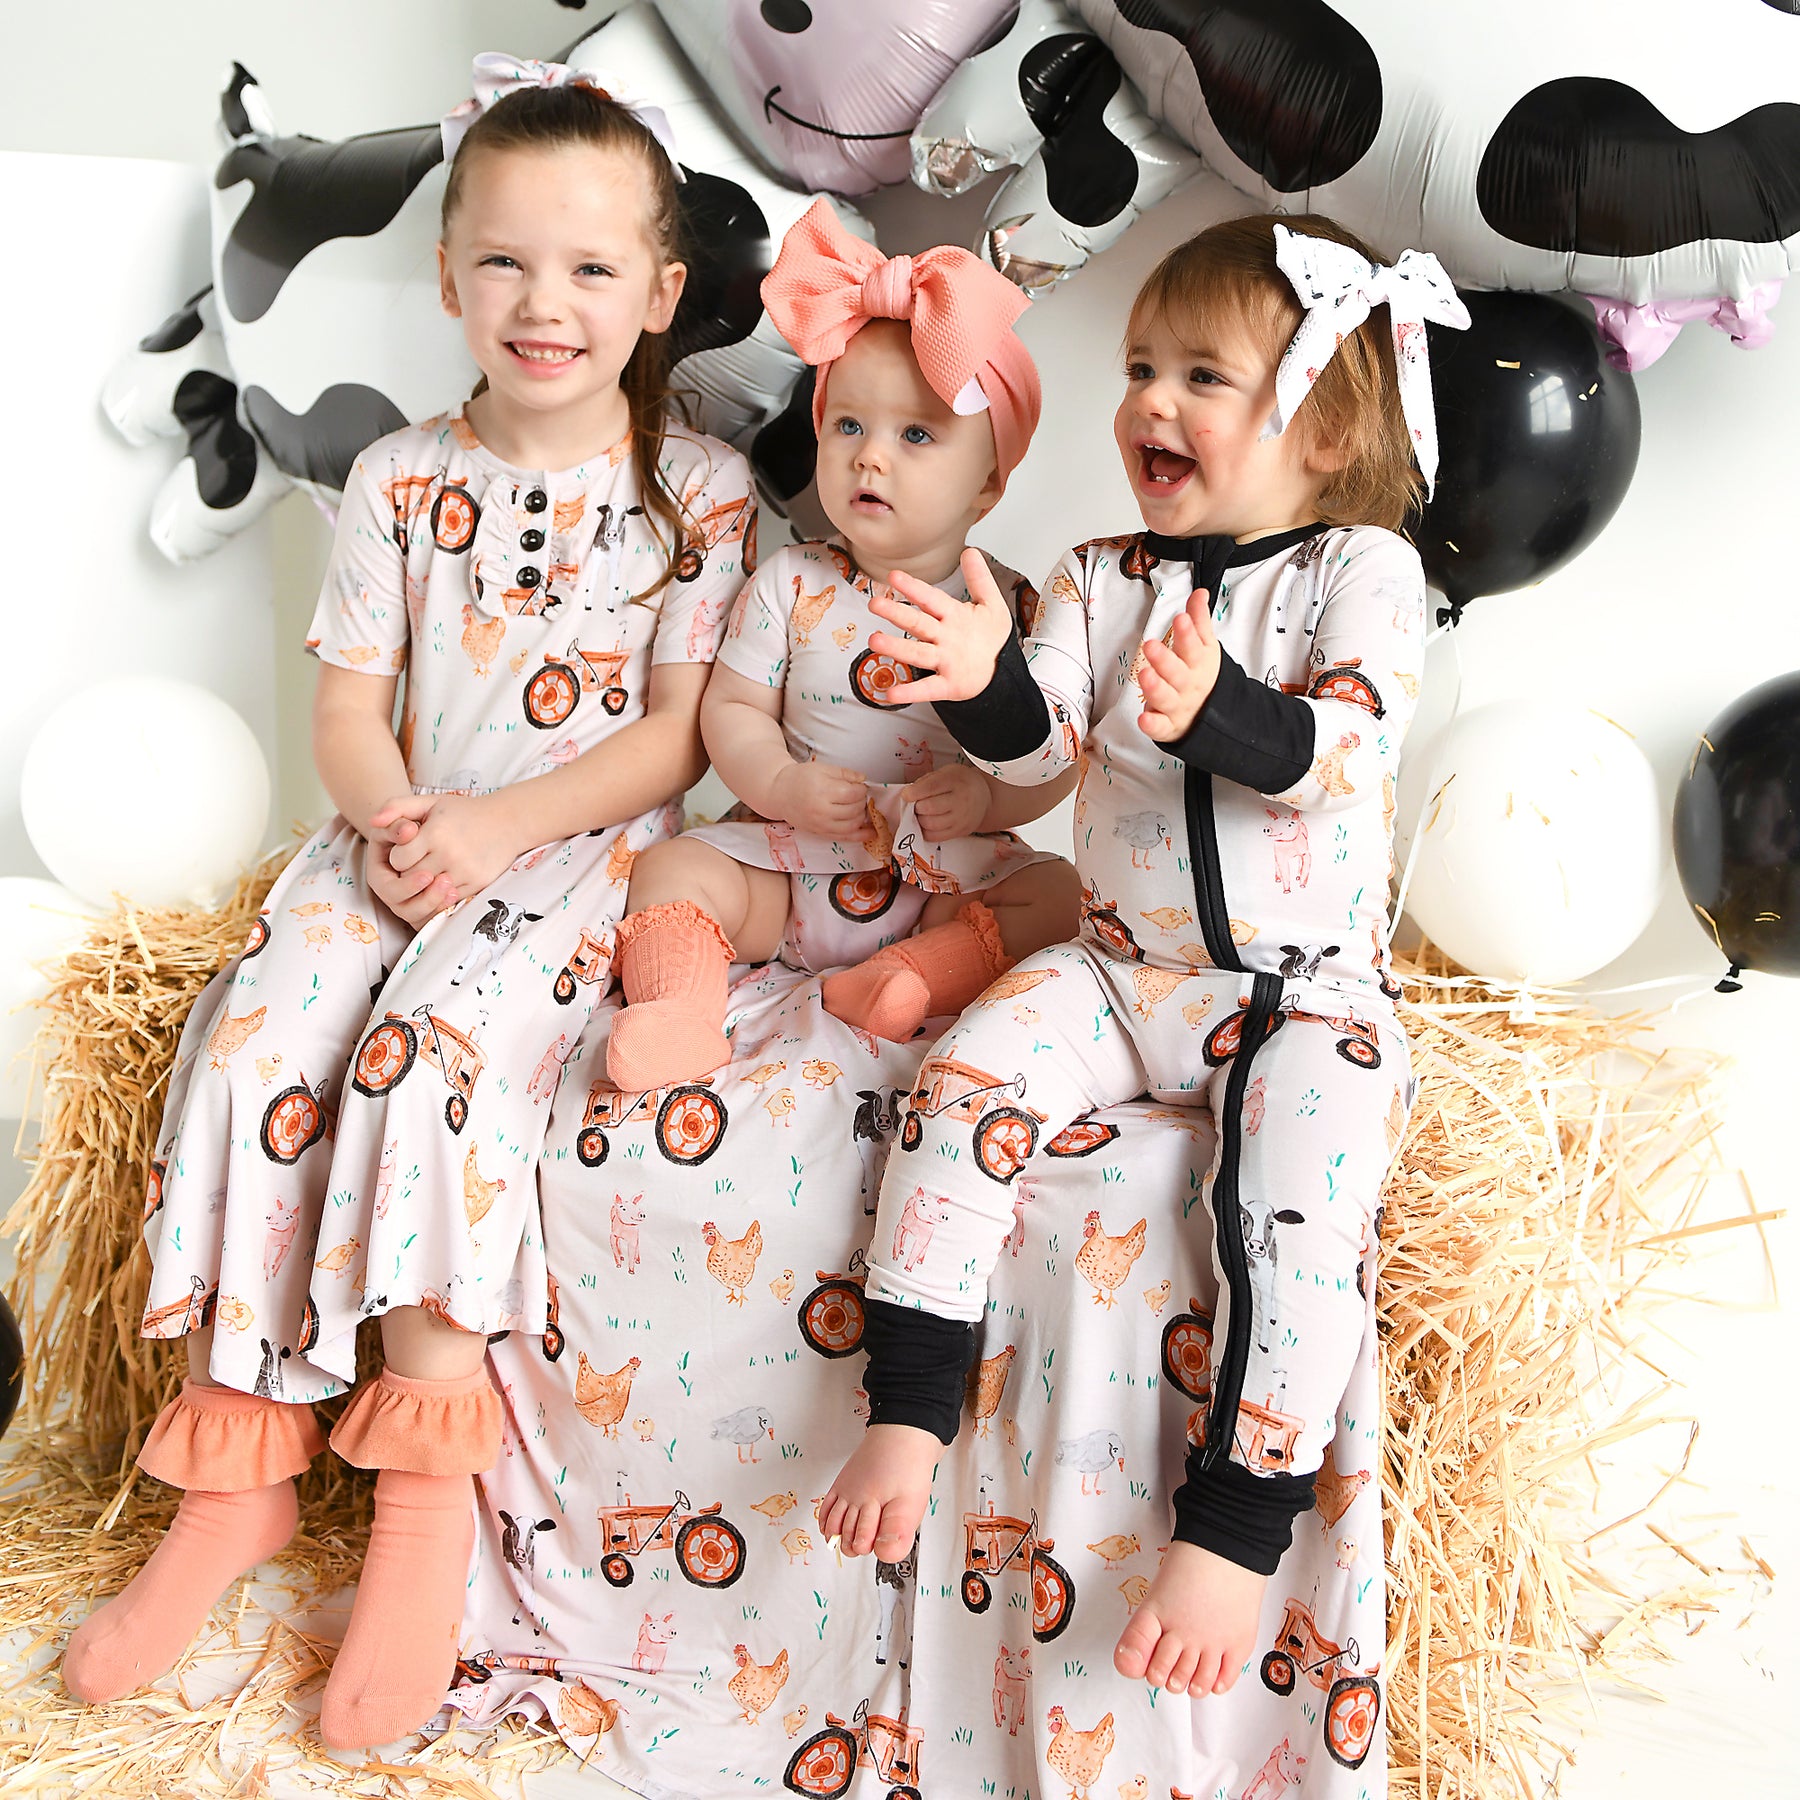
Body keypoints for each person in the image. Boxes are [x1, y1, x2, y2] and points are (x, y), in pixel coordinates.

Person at [61, 55, 754, 1750]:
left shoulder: (701, 497)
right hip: (402, 832)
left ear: (659, 295)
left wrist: (500, 827)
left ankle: (425, 1510)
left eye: (590, 268)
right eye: (504, 261)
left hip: (569, 855)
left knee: (430, 1058)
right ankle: (238, 1466)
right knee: (257, 1042)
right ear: (448, 277)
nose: (544, 303)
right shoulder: (396, 479)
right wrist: (388, 823)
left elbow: (673, 737)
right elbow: (351, 711)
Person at [820, 215, 1467, 1700]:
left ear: (1324, 430)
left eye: (1203, 377)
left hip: (1301, 994)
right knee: (962, 1078)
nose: (1151, 404)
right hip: (1118, 972)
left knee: (1297, 1198)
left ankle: (1235, 1525)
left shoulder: (1361, 567)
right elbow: (1038, 751)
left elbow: (1348, 744)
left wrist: (1223, 712)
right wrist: (983, 683)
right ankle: (912, 1398)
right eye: (1137, 369)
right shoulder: (1098, 574)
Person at [605, 199, 1077, 1092]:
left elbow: (1054, 757)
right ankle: (678, 1014)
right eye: (848, 425)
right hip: (792, 863)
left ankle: (909, 978)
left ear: (987, 485)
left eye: (915, 435)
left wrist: (985, 797)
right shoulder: (790, 582)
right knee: (671, 869)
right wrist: (782, 785)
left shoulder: (1006, 606)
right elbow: (733, 710)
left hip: (940, 880)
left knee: (1056, 896)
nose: (870, 457)